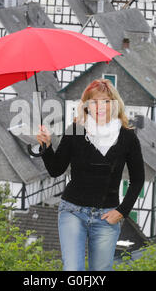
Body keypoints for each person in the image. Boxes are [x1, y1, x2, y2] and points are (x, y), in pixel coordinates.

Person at [36, 78, 145, 271]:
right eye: (94, 101)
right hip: (72, 212)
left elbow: (138, 180)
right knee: (73, 271)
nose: (99, 107)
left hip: (106, 216)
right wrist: (46, 146)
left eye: (105, 101)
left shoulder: (127, 137)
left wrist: (121, 212)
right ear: (86, 105)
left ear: (114, 104)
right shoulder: (76, 131)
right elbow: (56, 169)